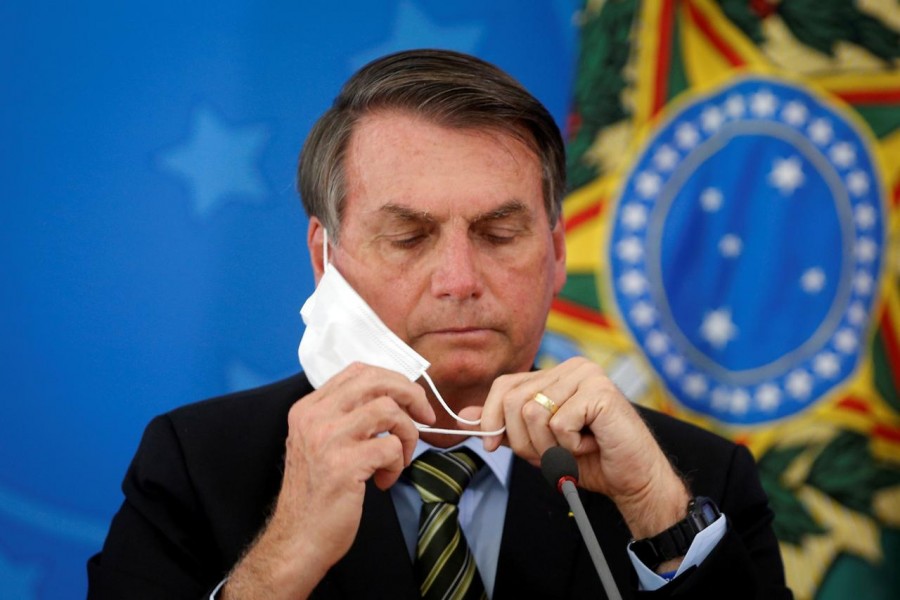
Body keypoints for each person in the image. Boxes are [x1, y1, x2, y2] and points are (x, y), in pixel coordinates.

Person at [87, 49, 791, 599]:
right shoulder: (196, 463)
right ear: (324, 257)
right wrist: (283, 562)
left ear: (553, 254)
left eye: (498, 231)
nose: (460, 280)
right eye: (410, 236)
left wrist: (656, 514)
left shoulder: (692, 477)